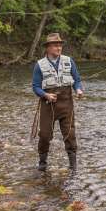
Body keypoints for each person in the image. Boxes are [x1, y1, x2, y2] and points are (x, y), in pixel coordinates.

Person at [31, 33, 84, 171]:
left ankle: (73, 165)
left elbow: (77, 80)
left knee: (70, 134)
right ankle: (42, 163)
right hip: (48, 105)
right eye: (55, 45)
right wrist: (45, 95)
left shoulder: (69, 61)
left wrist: (78, 90)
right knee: (44, 135)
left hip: (67, 104)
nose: (59, 47)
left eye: (60, 45)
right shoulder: (39, 65)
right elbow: (35, 87)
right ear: (48, 48)